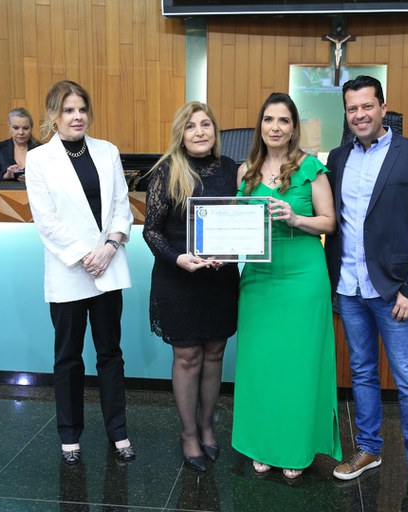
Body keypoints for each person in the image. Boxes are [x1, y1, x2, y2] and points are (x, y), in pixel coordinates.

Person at [323, 75, 408, 502]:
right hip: (348, 287)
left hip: (395, 293)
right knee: (361, 371)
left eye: (367, 106)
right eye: (352, 108)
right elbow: (334, 222)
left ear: (383, 108)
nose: (360, 115)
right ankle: (369, 448)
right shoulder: (337, 158)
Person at [232, 92, 342, 479]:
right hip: (259, 279)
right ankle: (262, 443)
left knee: (298, 364)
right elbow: (234, 225)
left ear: (294, 128)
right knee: (260, 364)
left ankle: (296, 446)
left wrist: (295, 218)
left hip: (302, 276)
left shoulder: (311, 168)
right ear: (260, 126)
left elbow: (329, 222)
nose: (275, 127)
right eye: (268, 119)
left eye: (283, 120)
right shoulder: (245, 171)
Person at [26, 80, 135, 466]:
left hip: (108, 265)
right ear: (53, 116)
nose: (77, 117)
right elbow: (46, 221)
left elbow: (122, 205)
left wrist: (110, 247)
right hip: (69, 271)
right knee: (68, 356)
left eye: (82, 109)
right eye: (68, 110)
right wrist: (85, 255)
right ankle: (69, 435)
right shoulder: (39, 159)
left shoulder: (107, 151)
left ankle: (118, 431)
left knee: (110, 354)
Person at [143, 101, 240, 472]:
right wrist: (177, 258)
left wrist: (239, 249)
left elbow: (241, 221)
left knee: (215, 353)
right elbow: (151, 231)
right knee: (187, 357)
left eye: (206, 124)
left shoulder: (231, 169)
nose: (200, 132)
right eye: (191, 126)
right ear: (180, 134)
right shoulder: (167, 171)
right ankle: (188, 433)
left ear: (215, 130)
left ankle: (207, 425)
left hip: (219, 281)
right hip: (179, 279)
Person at [0, 107, 40, 181]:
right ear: (9, 127)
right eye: (16, 128)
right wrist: (5, 175)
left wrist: (33, 179)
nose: (21, 132)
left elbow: (51, 177)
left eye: (25, 128)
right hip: (6, 188)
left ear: (31, 128)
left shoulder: (41, 149)